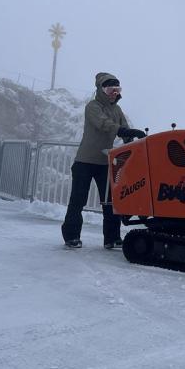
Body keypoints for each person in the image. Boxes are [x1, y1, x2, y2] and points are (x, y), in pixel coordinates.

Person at [61, 72, 146, 249]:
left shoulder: (117, 110)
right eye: (110, 89)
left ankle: (112, 238)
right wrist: (123, 132)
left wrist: (131, 141)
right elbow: (103, 123)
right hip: (85, 161)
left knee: (110, 201)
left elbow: (124, 129)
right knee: (78, 200)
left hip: (105, 162)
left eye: (117, 89)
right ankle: (71, 236)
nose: (114, 93)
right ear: (101, 89)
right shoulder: (93, 106)